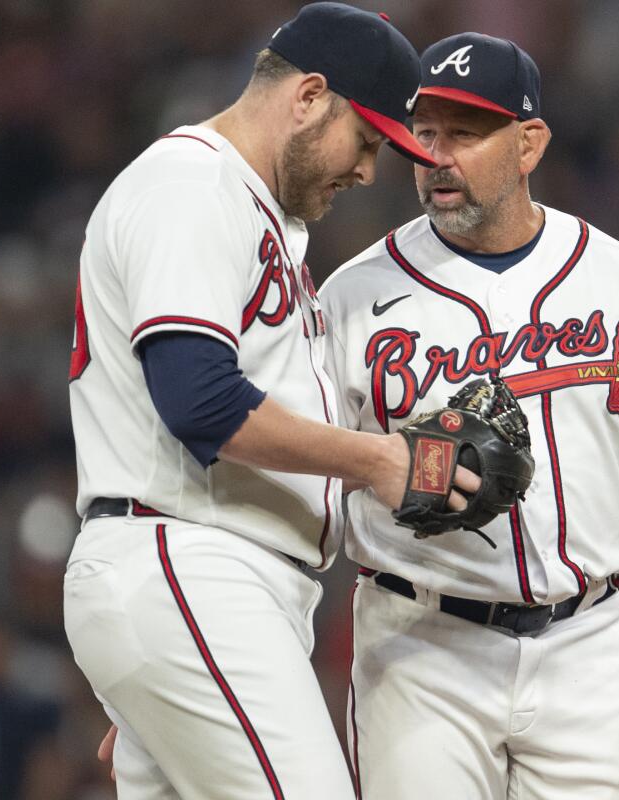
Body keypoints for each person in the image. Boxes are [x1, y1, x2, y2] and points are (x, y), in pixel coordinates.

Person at [63, 5, 482, 799]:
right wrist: (380, 459)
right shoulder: (191, 182)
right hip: (189, 563)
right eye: (365, 141)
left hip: (199, 590)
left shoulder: (251, 208)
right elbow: (198, 397)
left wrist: (172, 685)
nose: (367, 172)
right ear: (308, 96)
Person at [318, 32, 619, 799]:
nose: (437, 156)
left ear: (529, 143)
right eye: (424, 132)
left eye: (466, 133)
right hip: (420, 645)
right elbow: (299, 490)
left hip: (586, 644)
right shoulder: (351, 296)